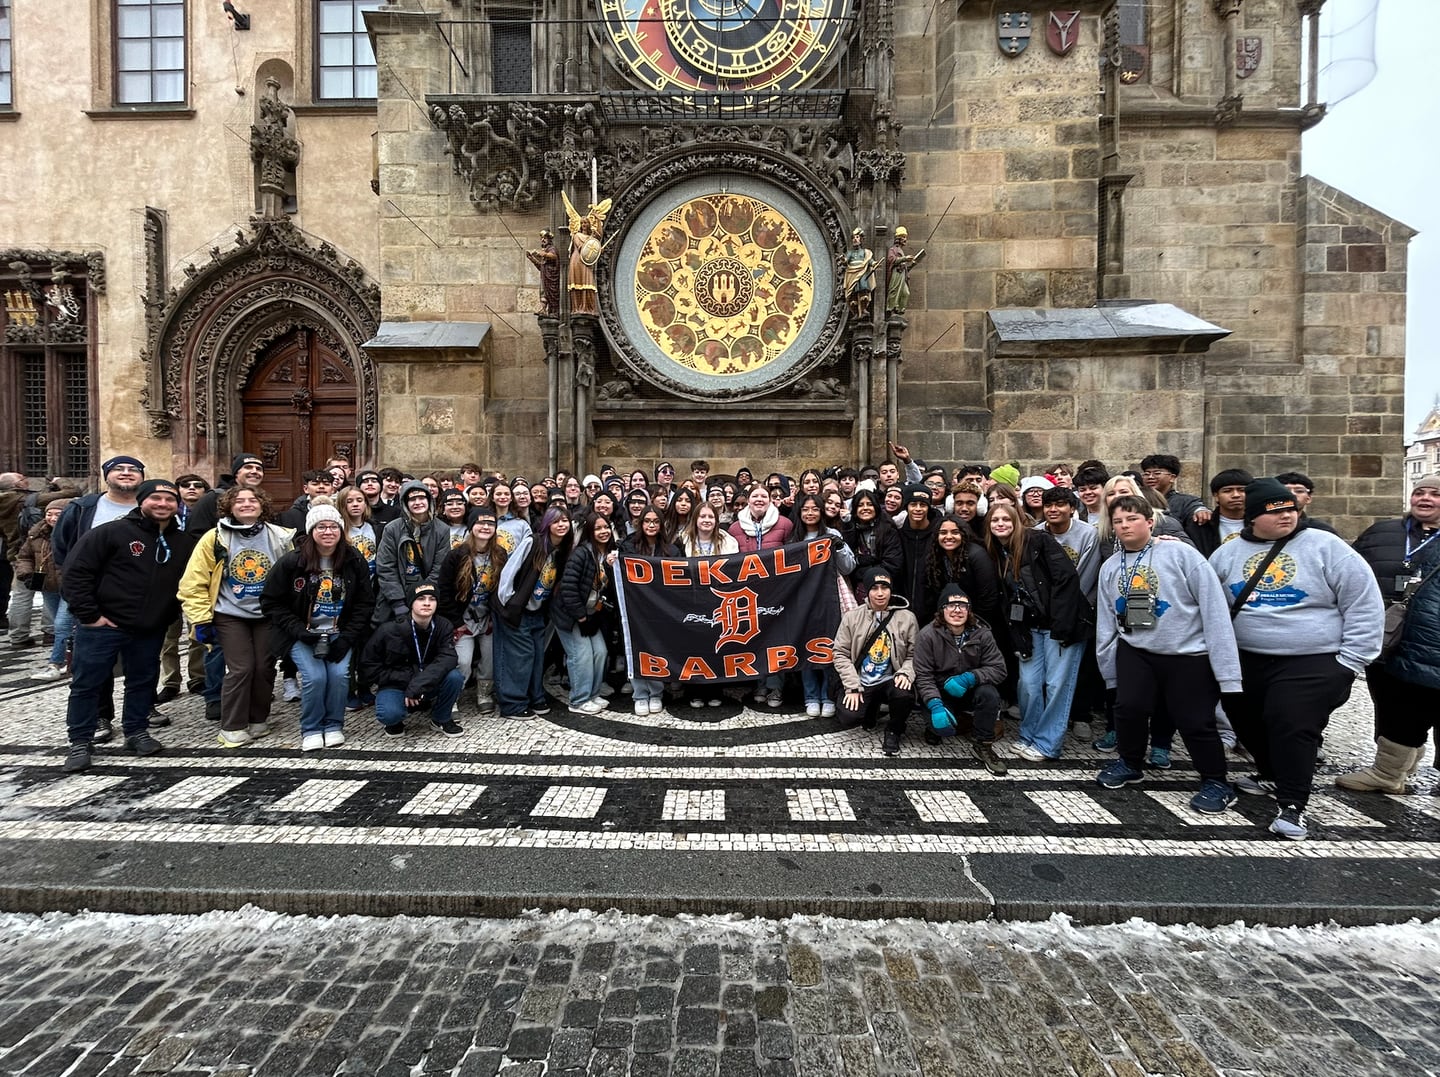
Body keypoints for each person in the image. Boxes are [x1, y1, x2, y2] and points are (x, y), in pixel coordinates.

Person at [1210, 478, 1383, 840]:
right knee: (1247, 720)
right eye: (1276, 512)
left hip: (1311, 660)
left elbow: (1363, 603)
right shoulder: (1227, 553)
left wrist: (1350, 661)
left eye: (1290, 509)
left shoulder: (1326, 546)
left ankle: (1292, 803)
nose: (1287, 516)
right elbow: (1211, 602)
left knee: (1291, 722)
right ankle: (1270, 773)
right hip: (1247, 658)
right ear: (1253, 518)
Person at [1093, 495, 1241, 814]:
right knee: (1128, 709)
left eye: (1132, 519)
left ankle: (1216, 781)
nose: (1124, 526)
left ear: (1149, 522)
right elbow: (1106, 620)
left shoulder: (1181, 554)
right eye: (1118, 521)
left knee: (1194, 720)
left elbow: (1213, 608)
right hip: (1137, 649)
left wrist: (1227, 671)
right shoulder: (1111, 566)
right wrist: (1109, 668)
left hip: (1187, 653)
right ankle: (1130, 762)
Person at [60, 479, 199, 772]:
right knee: (88, 683)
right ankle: (80, 741)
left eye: (169, 500)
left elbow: (189, 583)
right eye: (156, 499)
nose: (163, 504)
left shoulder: (184, 542)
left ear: (178, 505)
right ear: (142, 501)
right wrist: (89, 615)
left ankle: (136, 731)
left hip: (150, 627)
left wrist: (168, 614)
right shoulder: (111, 532)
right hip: (103, 625)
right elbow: (75, 573)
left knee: (143, 680)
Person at [1341, 473, 1440, 794]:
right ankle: (1394, 769)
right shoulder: (1382, 531)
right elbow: (1351, 570)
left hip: (1429, 640)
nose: (1425, 499)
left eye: (1435, 495)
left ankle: (1399, 768)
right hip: (1384, 634)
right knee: (1393, 705)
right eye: (1420, 492)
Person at [178, 485, 295, 745]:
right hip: (230, 613)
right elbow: (193, 581)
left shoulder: (279, 536)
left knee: (264, 668)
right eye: (239, 501)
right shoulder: (214, 537)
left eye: (252, 499)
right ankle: (232, 725)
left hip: (266, 613)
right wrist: (201, 618)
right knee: (241, 668)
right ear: (229, 507)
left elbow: (291, 575)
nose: (246, 504)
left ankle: (258, 719)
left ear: (262, 505)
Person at [259, 503, 376, 752]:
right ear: (311, 530)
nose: (328, 531)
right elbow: (271, 601)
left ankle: (334, 725)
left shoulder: (354, 560)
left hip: (339, 632)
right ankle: (311, 728)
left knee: (339, 676)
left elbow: (364, 603)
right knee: (314, 677)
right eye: (321, 526)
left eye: (333, 526)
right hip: (303, 633)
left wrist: (347, 637)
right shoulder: (292, 562)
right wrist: (299, 630)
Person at [983, 501, 1084, 761]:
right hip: (1029, 627)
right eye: (995, 521)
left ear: (1017, 520)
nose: (1001, 524)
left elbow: (1067, 578)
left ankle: (1048, 743)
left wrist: (1062, 625)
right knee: (1027, 683)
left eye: (1006, 519)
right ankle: (1028, 735)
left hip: (1060, 625)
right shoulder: (998, 553)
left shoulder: (1038, 541)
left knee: (1056, 684)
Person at [913, 583, 1009, 773]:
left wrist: (970, 677)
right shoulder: (927, 635)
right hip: (940, 692)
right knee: (940, 728)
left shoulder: (983, 634)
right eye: (951, 605)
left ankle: (983, 744)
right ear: (942, 610)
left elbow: (999, 669)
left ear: (969, 610)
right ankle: (936, 724)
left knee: (989, 694)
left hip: (968, 689)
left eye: (963, 606)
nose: (957, 610)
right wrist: (935, 704)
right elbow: (923, 675)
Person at [834, 568, 924, 756]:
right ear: (867, 591)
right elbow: (840, 653)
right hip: (861, 679)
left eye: (885, 587)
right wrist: (851, 685)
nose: (880, 593)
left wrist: (906, 672)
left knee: (904, 694)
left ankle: (894, 729)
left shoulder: (907, 618)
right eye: (874, 588)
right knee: (849, 717)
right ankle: (870, 707)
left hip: (890, 678)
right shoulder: (853, 617)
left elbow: (915, 654)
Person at [494, 506, 573, 719]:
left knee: (537, 657)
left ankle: (536, 697)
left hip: (538, 612)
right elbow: (509, 572)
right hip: (516, 609)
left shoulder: (562, 550)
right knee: (519, 658)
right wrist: (509, 605)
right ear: (547, 524)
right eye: (556, 521)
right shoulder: (533, 542)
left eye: (565, 520)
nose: (562, 524)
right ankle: (512, 704)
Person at [359, 582, 465, 739]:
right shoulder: (388, 630)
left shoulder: (443, 626)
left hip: (427, 682)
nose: (427, 603)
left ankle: (441, 718)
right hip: (396, 684)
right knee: (389, 714)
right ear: (411, 603)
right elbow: (368, 667)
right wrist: (410, 681)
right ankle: (395, 721)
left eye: (432, 599)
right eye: (421, 598)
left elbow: (448, 658)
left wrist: (419, 684)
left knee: (454, 677)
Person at [437, 509, 511, 714]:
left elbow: (502, 589)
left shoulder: (500, 554)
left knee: (489, 660)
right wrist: (456, 622)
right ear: (471, 527)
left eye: (490, 523)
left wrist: (495, 617)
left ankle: (484, 694)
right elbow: (444, 591)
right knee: (463, 661)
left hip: (487, 617)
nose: (486, 527)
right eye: (480, 523)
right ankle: (451, 696)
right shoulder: (456, 555)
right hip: (462, 618)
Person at [793, 494, 856, 717]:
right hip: (803, 601)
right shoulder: (793, 540)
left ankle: (829, 693)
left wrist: (838, 547)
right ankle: (811, 695)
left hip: (831, 597)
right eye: (805, 509)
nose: (810, 513)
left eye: (815, 509)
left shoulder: (833, 534)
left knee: (831, 644)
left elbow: (848, 567)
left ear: (821, 512)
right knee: (807, 645)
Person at [553, 510, 618, 715]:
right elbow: (569, 588)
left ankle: (593, 694)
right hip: (570, 615)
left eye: (606, 527)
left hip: (590, 614)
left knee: (600, 652)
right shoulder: (581, 553)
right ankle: (578, 700)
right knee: (581, 655)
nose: (603, 531)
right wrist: (581, 617)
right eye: (597, 528)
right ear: (589, 531)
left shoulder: (606, 554)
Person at [374, 480, 449, 624]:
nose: (418, 502)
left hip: (427, 597)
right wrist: (398, 602)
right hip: (395, 599)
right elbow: (386, 567)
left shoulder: (442, 529)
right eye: (412, 499)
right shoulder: (392, 528)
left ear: (429, 500)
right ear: (405, 503)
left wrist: (423, 596)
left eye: (422, 498)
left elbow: (439, 567)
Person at [16, 499, 69, 680]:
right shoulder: (36, 533)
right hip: (48, 586)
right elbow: (24, 556)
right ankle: (73, 658)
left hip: (70, 587)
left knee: (62, 625)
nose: (52, 518)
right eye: (49, 513)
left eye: (57, 514)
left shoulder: (75, 532)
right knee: (61, 625)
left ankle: (55, 664)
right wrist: (26, 573)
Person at [841, 228, 876, 316]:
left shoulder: (865, 252)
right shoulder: (850, 253)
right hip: (852, 272)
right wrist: (843, 259)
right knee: (853, 291)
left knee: (863, 287)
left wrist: (874, 263)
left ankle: (863, 309)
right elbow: (846, 261)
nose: (855, 239)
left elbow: (869, 260)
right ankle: (856, 311)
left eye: (857, 237)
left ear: (861, 239)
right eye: (853, 238)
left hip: (862, 271)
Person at [526, 229, 561, 316]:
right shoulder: (546, 250)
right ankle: (543, 309)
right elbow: (541, 266)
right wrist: (531, 258)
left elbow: (553, 256)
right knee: (543, 293)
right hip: (545, 276)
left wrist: (542, 254)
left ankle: (555, 312)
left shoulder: (551, 249)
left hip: (551, 278)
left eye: (545, 238)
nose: (542, 240)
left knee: (552, 294)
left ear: (549, 239)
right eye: (541, 238)